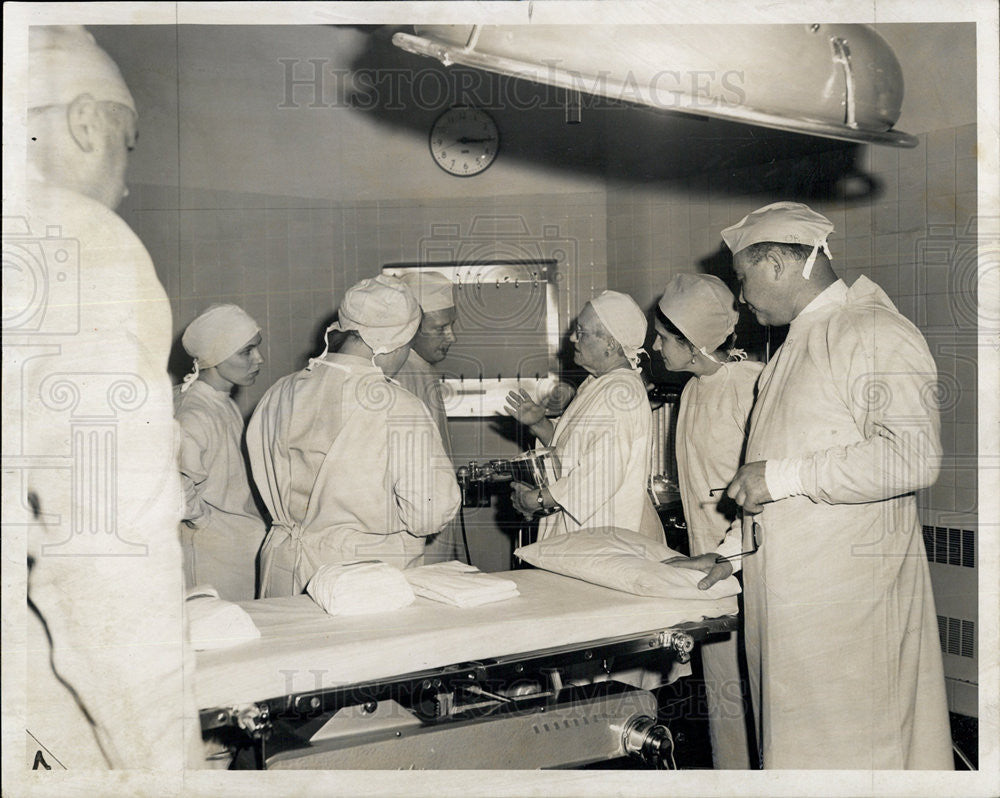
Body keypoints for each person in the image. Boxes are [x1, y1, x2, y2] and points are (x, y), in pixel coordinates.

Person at [8, 26, 199, 768]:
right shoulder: (68, 237)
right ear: (87, 122)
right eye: (129, 143)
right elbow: (107, 559)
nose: (126, 180)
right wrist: (169, 770)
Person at [720, 201, 952, 769]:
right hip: (795, 609)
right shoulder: (793, 346)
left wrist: (781, 476)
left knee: (855, 759)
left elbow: (912, 457)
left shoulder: (870, 329)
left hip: (849, 616)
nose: (741, 299)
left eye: (743, 280)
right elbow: (778, 479)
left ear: (776, 263)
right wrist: (729, 556)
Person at [246, 275, 460, 597]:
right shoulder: (396, 405)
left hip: (284, 569)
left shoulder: (282, 391)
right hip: (360, 579)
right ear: (398, 341)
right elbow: (428, 515)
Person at [651, 273, 761, 770]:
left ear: (692, 343)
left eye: (663, 337)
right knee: (723, 691)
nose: (654, 346)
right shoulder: (693, 389)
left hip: (749, 563)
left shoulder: (753, 386)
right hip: (707, 563)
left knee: (758, 690)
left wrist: (733, 554)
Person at [505, 291, 664, 542]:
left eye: (582, 332)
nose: (572, 338)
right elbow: (576, 453)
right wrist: (539, 424)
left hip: (604, 538)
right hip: (589, 535)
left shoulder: (620, 395)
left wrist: (535, 500)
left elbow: (601, 475)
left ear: (611, 343)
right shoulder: (598, 384)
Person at [174, 304, 267, 600]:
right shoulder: (194, 412)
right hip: (211, 553)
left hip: (235, 544)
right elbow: (174, 483)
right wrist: (204, 522)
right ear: (215, 355)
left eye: (256, 349)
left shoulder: (219, 401)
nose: (259, 359)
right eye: (246, 352)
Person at [395, 270, 465, 563]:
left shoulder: (422, 369)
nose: (452, 337)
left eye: (451, 326)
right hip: (418, 530)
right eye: (439, 329)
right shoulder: (403, 374)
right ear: (410, 329)